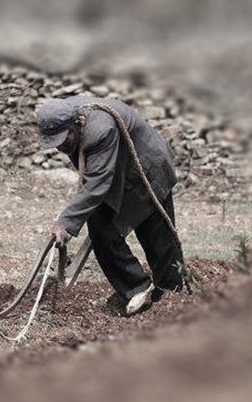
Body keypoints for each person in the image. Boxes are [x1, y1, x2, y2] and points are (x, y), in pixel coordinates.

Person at [37, 96, 184, 314]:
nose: (60, 148)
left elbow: (96, 185)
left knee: (157, 238)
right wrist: (70, 219)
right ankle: (137, 287)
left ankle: (173, 297)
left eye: (63, 141)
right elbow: (96, 179)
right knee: (100, 229)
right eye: (55, 143)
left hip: (147, 170)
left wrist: (65, 223)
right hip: (116, 174)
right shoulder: (61, 114)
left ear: (76, 125)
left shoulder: (100, 131)